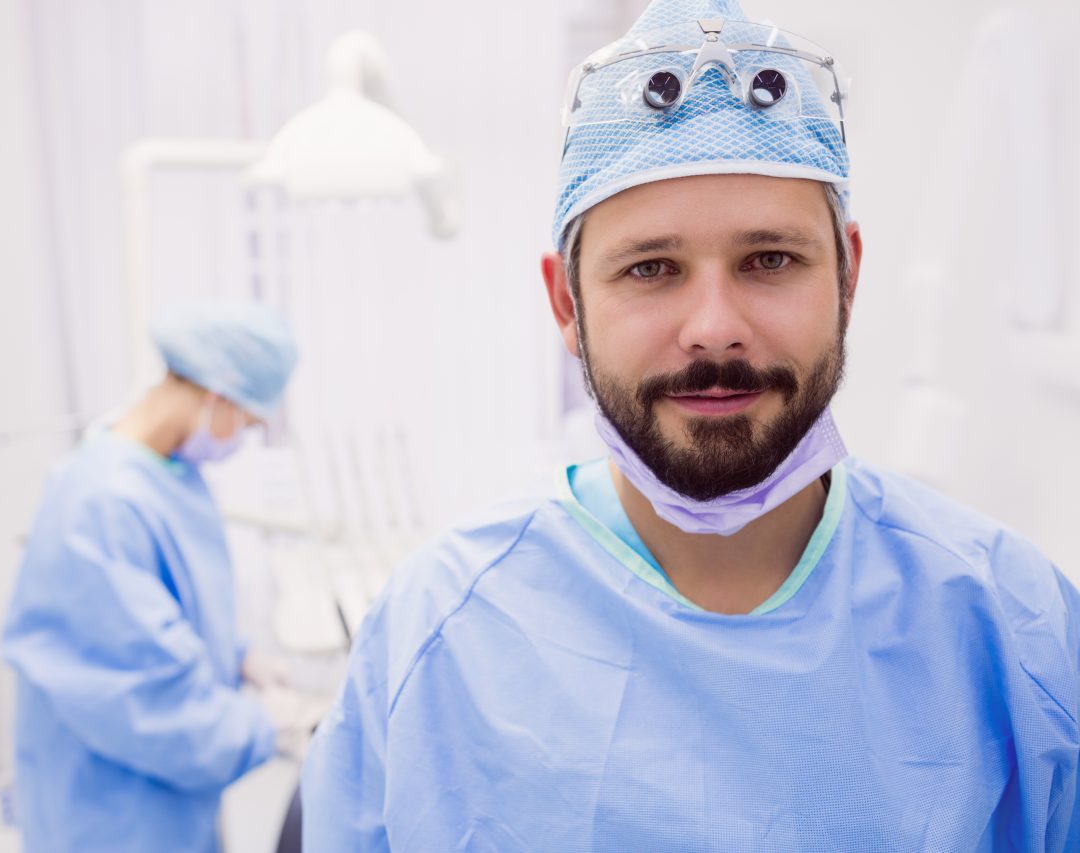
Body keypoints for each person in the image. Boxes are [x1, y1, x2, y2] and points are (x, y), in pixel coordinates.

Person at [300, 1, 1080, 849]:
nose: (714, 325)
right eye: (651, 268)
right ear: (567, 301)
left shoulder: (1012, 626)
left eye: (769, 260)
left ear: (849, 273)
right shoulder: (438, 632)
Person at [2, 300, 308, 853]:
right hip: (109, 812)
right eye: (248, 421)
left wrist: (237, 657)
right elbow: (147, 700)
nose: (241, 437)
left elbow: (164, 607)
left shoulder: (170, 473)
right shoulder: (99, 503)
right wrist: (270, 727)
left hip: (158, 806)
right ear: (218, 395)